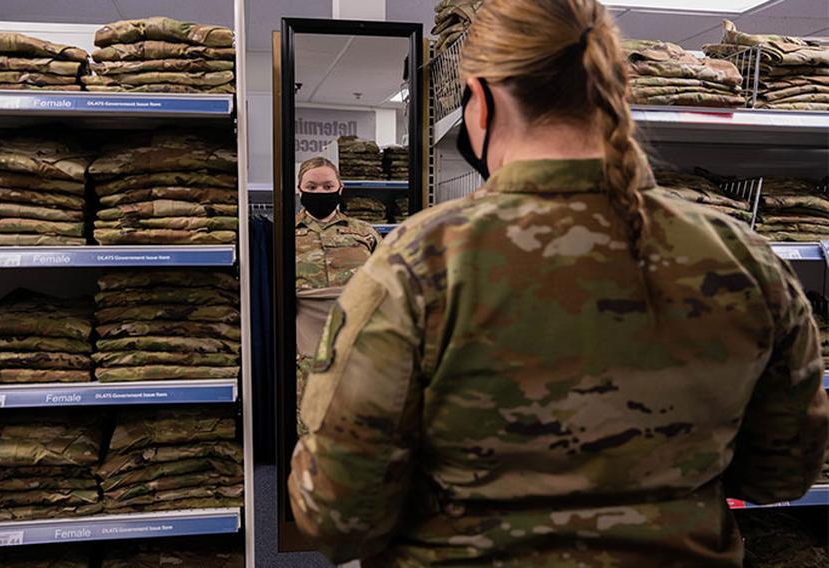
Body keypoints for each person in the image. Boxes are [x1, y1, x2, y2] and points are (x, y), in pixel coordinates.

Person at [288, 1, 829, 566]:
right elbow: (782, 473)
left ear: (484, 100)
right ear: (613, 91)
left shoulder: (417, 264)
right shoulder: (742, 257)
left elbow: (337, 516)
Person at [294, 157, 381, 434]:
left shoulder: (365, 233)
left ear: (340, 188)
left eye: (328, 185)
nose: (320, 192)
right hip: (303, 344)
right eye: (312, 186)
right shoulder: (282, 234)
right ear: (299, 189)